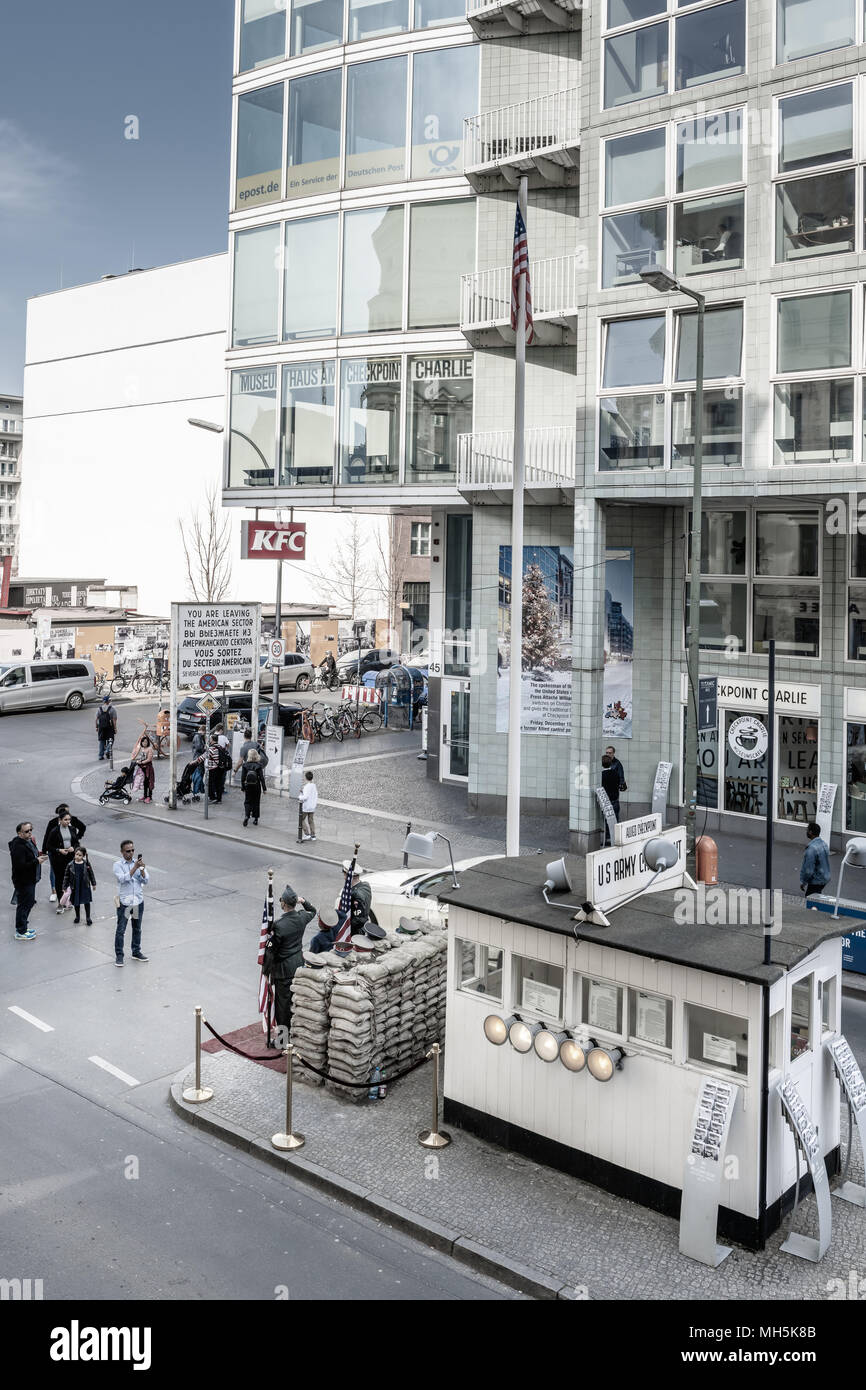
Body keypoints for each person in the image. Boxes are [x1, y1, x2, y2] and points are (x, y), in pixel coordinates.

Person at [269, 886, 317, 1033]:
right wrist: (303, 901)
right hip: (297, 964)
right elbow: (313, 911)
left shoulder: (278, 925)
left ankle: (284, 1041)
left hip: (283, 970)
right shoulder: (301, 918)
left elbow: (272, 951)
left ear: (283, 904)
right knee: (295, 1001)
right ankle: (296, 1033)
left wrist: (267, 970)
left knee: (282, 1006)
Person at [112, 839, 149, 966]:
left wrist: (142, 869)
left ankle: (136, 951)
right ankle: (119, 955)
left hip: (137, 901)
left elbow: (146, 881)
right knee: (121, 930)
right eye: (128, 851)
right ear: (122, 852)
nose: (131, 853)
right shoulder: (118, 865)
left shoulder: (138, 864)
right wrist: (135, 867)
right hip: (125, 903)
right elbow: (123, 879)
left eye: (133, 850)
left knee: (137, 928)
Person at [9, 822, 48, 940]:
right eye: (26, 831)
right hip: (24, 881)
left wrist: (39, 855)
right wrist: (37, 861)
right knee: (24, 904)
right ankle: (20, 931)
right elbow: (20, 866)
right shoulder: (18, 846)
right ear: (19, 833)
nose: (30, 832)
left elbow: (31, 855)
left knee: (29, 903)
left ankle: (23, 927)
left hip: (30, 879)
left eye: (31, 829)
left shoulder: (28, 841)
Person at [42, 804, 86, 903]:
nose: (68, 820)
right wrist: (51, 850)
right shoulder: (53, 827)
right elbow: (47, 841)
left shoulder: (72, 827)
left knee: (71, 876)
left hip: (70, 856)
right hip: (57, 857)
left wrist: (73, 847)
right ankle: (57, 896)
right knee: (57, 877)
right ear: (60, 818)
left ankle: (68, 897)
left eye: (69, 819)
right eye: (65, 819)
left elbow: (76, 839)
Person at [63, 847, 96, 926]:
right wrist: (64, 887)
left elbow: (91, 873)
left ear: (83, 856)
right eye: (76, 854)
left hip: (85, 886)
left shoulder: (86, 864)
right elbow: (66, 876)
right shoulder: (70, 864)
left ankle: (88, 917)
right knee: (76, 902)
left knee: (86, 902)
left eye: (80, 855)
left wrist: (93, 884)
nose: (77, 856)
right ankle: (77, 916)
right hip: (75, 886)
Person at [800, 822, 830, 898]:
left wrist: (803, 882)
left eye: (807, 830)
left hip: (816, 880)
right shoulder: (824, 844)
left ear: (810, 832)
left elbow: (808, 870)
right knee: (817, 898)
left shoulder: (811, 849)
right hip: (824, 877)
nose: (806, 832)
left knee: (810, 901)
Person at [241, 749, 266, 827]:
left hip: (248, 786)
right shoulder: (259, 765)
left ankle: (247, 816)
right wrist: (264, 789)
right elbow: (262, 778)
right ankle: (255, 819)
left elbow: (242, 778)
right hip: (256, 786)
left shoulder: (245, 765)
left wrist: (243, 787)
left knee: (247, 801)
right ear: (256, 756)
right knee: (256, 802)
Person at [600, 755, 622, 846]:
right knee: (615, 819)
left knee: (606, 821)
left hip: (606, 801)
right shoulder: (615, 773)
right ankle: (616, 838)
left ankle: (607, 839)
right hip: (615, 800)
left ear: (602, 764)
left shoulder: (601, 775)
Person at [131, 733, 155, 803]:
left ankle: (149, 797)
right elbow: (142, 757)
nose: (144, 743)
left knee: (149, 782)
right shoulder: (142, 749)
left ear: (148, 742)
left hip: (148, 768)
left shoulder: (150, 749)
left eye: (146, 742)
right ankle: (144, 796)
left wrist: (141, 762)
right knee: (144, 782)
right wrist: (139, 760)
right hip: (143, 768)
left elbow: (149, 759)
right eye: (143, 742)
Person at [298, 770, 318, 843]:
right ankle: (313, 835)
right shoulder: (314, 786)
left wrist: (300, 796)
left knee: (301, 819)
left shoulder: (306, 786)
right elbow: (314, 795)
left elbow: (305, 797)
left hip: (306, 807)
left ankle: (307, 834)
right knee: (311, 821)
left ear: (306, 778)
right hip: (312, 806)